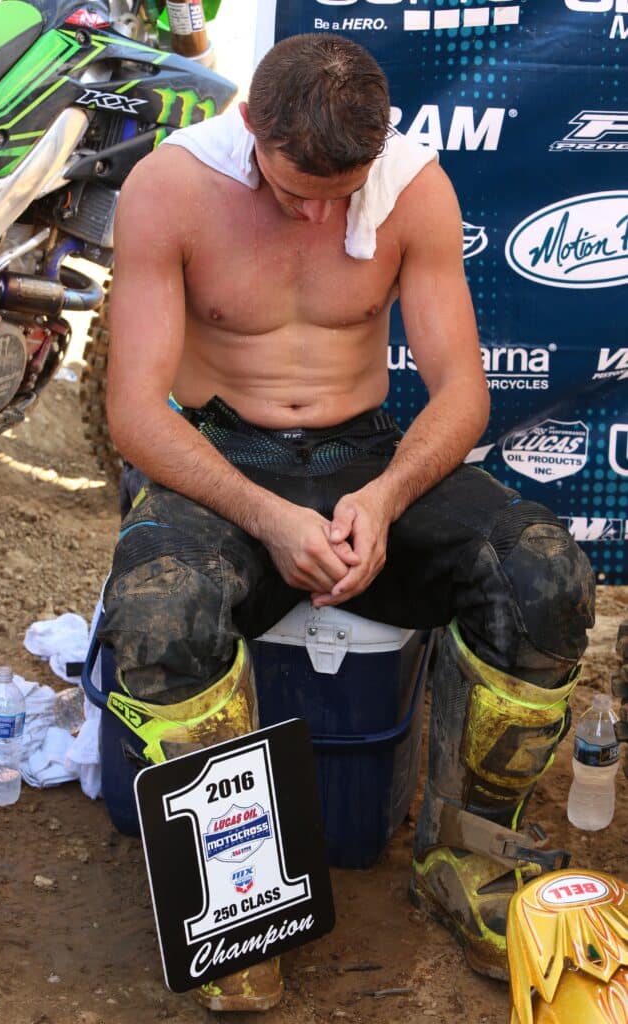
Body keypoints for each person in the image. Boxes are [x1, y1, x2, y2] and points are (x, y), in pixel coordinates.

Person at [100, 33, 595, 1012]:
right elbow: (134, 409)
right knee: (158, 614)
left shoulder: (411, 188)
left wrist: (383, 496)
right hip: (225, 461)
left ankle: (465, 859)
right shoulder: (171, 185)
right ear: (249, 128)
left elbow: (458, 396)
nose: (323, 214)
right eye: (295, 194)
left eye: (343, 192)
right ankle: (235, 901)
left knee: (543, 575)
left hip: (365, 456)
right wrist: (265, 515)